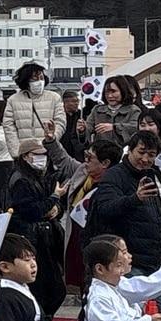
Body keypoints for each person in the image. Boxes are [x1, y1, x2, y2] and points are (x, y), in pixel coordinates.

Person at [44, 126, 121, 298]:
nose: (86, 161)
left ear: (105, 163)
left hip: (100, 237)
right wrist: (51, 141)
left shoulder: (115, 182)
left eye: (90, 158)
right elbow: (64, 161)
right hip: (76, 232)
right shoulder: (83, 171)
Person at [86, 131, 161, 275]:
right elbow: (106, 209)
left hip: (154, 262)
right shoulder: (114, 175)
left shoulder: (151, 175)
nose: (145, 159)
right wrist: (135, 199)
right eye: (141, 152)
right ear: (130, 150)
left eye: (151, 155)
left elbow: (157, 218)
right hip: (129, 263)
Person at [5, 139, 68, 320]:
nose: (42, 159)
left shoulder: (44, 176)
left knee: (56, 288)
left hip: (47, 237)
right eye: (37, 155)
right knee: (42, 288)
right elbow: (31, 211)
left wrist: (56, 208)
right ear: (25, 157)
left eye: (44, 155)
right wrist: (54, 198)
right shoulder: (20, 180)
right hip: (31, 238)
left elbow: (52, 206)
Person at [3, 62, 65, 158]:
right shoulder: (13, 100)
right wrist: (16, 153)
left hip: (49, 152)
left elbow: (60, 122)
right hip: (24, 154)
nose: (39, 81)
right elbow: (9, 127)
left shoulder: (54, 97)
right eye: (35, 78)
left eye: (41, 78)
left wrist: (51, 141)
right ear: (26, 80)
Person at [84, 76, 140, 148]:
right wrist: (82, 130)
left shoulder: (133, 110)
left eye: (113, 92)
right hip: (101, 153)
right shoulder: (97, 110)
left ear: (123, 91)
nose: (110, 96)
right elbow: (89, 129)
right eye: (107, 92)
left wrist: (115, 127)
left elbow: (135, 128)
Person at [60, 90, 86, 161]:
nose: (77, 103)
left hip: (77, 153)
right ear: (66, 102)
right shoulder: (59, 116)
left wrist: (83, 131)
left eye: (77, 101)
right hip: (62, 150)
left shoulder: (82, 116)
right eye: (74, 101)